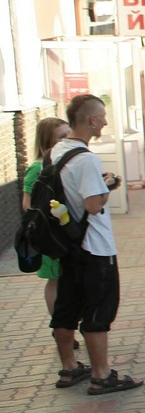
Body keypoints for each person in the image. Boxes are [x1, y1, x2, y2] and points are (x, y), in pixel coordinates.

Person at [49, 94, 142, 394]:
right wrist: (110, 186)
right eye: (102, 116)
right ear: (91, 120)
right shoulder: (87, 158)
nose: (104, 120)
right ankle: (101, 375)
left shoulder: (59, 150)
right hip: (94, 247)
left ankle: (69, 368)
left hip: (69, 244)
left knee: (66, 308)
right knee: (98, 310)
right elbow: (92, 205)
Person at [22, 118, 73, 344]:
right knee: (55, 281)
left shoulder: (67, 162)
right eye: (61, 137)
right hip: (50, 235)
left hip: (67, 233)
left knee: (68, 281)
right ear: (47, 142)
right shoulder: (38, 167)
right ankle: (60, 328)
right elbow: (27, 203)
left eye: (67, 135)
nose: (66, 140)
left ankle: (66, 325)